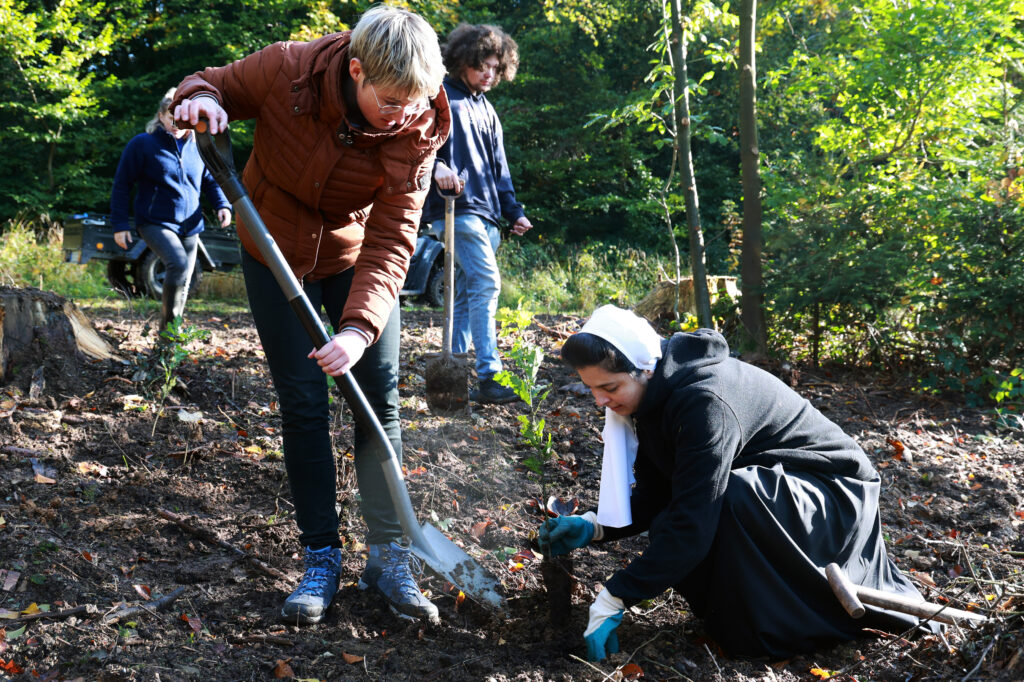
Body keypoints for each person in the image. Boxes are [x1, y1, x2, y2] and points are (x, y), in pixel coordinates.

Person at [172, 6, 449, 625]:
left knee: (377, 399)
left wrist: (357, 329)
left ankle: (388, 557)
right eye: (391, 101)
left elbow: (394, 237)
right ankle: (321, 555)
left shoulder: (419, 124)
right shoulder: (286, 70)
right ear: (355, 71)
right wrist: (201, 102)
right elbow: (201, 83)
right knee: (303, 401)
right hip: (272, 251)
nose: (404, 114)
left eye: (416, 101)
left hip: (356, 256)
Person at [539, 305, 941, 661]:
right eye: (592, 389)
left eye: (610, 388)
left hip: (833, 496)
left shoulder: (704, 402)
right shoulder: (655, 396)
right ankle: (741, 622)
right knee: (694, 510)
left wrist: (616, 595)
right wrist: (596, 526)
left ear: (644, 367)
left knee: (728, 499)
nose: (600, 402)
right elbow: (662, 491)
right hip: (774, 488)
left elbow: (694, 518)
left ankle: (784, 625)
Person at [421, 23, 533, 404]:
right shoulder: (439, 97)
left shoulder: (488, 111)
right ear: (464, 59)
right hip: (455, 209)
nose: (489, 73)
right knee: (488, 284)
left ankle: (450, 379)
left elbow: (499, 170)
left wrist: (513, 211)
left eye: (496, 68)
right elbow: (418, 144)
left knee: (467, 296)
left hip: (488, 217)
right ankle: (490, 375)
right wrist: (437, 166)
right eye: (483, 65)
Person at [110, 88, 232, 334]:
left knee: (185, 280)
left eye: (181, 120)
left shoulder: (199, 147)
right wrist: (120, 224)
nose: (175, 124)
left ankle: (171, 333)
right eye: (170, 118)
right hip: (154, 222)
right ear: (160, 116)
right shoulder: (143, 144)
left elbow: (210, 180)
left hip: (190, 225)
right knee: (177, 264)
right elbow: (122, 184)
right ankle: (168, 336)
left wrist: (222, 205)